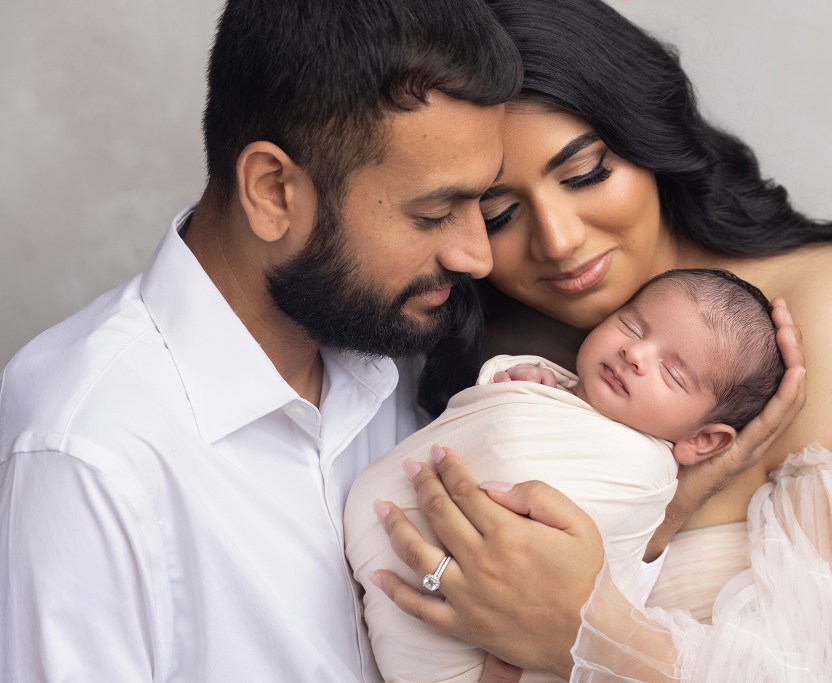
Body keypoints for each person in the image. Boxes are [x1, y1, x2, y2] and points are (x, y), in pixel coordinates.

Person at [371, 0, 832, 681]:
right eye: (500, 212)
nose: (559, 241)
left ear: (647, 138)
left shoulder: (818, 312)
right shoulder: (491, 353)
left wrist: (590, 636)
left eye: (587, 173)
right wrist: (672, 505)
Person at [0, 1, 526, 680]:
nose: (476, 255)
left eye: (482, 207)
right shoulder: (85, 448)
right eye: (432, 213)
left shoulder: (400, 351)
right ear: (273, 190)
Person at [345, 268, 783, 682]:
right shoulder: (550, 382)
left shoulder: (643, 470)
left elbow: (578, 547)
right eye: (631, 327)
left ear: (703, 442)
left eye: (672, 372)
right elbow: (481, 424)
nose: (635, 353)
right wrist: (513, 382)